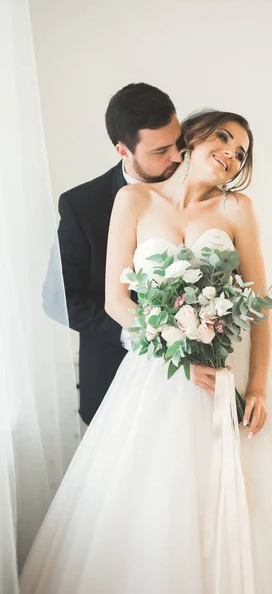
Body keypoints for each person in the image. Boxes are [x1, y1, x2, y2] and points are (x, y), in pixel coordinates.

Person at [21, 111, 272, 593]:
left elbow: (260, 306)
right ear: (191, 139)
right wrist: (175, 350)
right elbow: (117, 299)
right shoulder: (132, 199)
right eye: (223, 138)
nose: (231, 153)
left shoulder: (236, 208)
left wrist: (258, 385)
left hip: (229, 370)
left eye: (240, 151)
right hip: (159, 370)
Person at [46, 82, 182, 425]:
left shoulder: (199, 190)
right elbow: (59, 298)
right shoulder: (82, 205)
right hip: (113, 377)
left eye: (179, 142)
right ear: (123, 150)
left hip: (192, 385)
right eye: (160, 150)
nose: (177, 157)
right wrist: (133, 333)